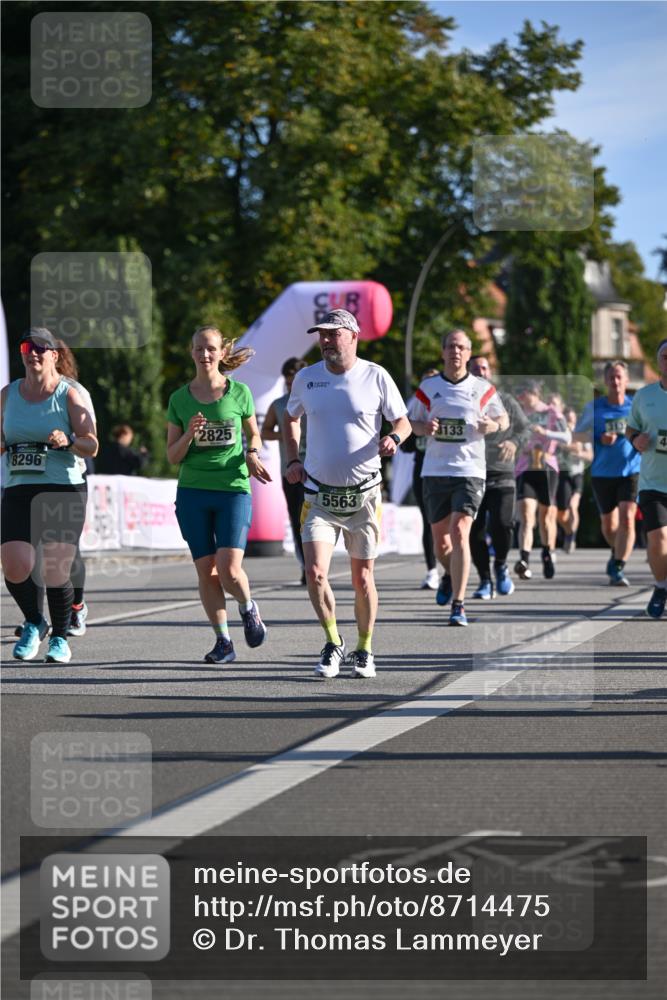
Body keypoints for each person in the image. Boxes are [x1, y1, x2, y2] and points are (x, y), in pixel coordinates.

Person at [283, 308, 410, 678]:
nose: (325, 341)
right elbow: (291, 417)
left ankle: (365, 649)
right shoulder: (307, 378)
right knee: (316, 573)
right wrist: (293, 458)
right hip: (319, 495)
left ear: (353, 335)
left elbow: (401, 420)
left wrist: (394, 436)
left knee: (362, 579)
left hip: (365, 494)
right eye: (321, 334)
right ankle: (332, 641)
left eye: (333, 334)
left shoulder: (376, 376)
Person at [166, 325, 271, 663]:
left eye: (210, 348)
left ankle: (247, 606)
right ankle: (223, 642)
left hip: (232, 489)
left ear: (222, 353)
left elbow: (254, 434)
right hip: (193, 491)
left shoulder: (240, 393)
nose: (205, 354)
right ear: (191, 352)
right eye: (199, 348)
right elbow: (172, 456)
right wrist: (189, 436)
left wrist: (252, 454)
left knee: (228, 569)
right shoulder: (179, 399)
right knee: (206, 571)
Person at [1, 328, 98, 663]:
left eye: (41, 348)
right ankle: (33, 621)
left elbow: (92, 444)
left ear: (55, 355)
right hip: (18, 486)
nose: (33, 353)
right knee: (14, 565)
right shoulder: (8, 394)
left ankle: (59, 636)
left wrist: (68, 441)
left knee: (56, 568)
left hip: (63, 488)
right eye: (28, 347)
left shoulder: (69, 394)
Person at [409, 330, 508, 626]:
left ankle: (459, 604)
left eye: (461, 347)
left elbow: (503, 419)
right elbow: (408, 422)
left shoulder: (483, 388)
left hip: (470, 470)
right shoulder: (428, 387)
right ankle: (449, 574)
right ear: (442, 352)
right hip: (436, 471)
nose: (456, 352)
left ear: (469, 352)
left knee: (460, 530)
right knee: (441, 542)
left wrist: (492, 425)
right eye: (451, 346)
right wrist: (424, 428)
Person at [468, 355, 530, 599]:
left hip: (502, 471)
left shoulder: (505, 401)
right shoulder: (463, 400)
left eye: (484, 368)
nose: (481, 371)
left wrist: (514, 442)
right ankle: (485, 580)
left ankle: (501, 565)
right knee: (475, 530)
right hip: (471, 472)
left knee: (503, 524)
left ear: (490, 372)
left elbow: (525, 429)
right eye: (476, 369)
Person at [575, 360, 641, 586]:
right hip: (603, 473)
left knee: (627, 520)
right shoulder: (594, 408)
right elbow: (577, 436)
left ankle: (618, 566)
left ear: (626, 380)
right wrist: (598, 438)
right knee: (609, 526)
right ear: (605, 381)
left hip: (631, 470)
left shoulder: (635, 407)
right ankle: (617, 552)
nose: (615, 381)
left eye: (619, 377)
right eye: (611, 377)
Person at [625, 338, 667, 619]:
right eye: (665, 355)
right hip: (653, 482)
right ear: (658, 361)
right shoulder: (644, 396)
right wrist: (635, 439)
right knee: (659, 539)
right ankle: (661, 586)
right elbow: (631, 428)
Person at [513, 381, 571, 581]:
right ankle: (524, 560)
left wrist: (546, 433)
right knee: (527, 516)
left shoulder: (552, 413)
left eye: (524, 394)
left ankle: (547, 552)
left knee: (545, 518)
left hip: (547, 466)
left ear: (534, 394)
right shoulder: (518, 414)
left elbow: (567, 438)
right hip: (525, 467)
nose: (521, 398)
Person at [261, 358, 308, 584]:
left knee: (319, 521)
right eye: (288, 384)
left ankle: (318, 564)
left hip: (321, 470)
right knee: (298, 521)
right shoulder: (279, 405)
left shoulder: (317, 398)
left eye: (295, 383)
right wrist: (288, 436)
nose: (291, 388)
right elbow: (265, 431)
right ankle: (306, 568)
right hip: (290, 470)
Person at [404, 365, 440, 590]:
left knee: (445, 521)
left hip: (446, 468)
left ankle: (452, 565)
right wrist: (418, 429)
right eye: (425, 382)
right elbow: (406, 445)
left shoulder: (449, 405)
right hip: (422, 467)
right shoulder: (416, 409)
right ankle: (432, 571)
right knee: (428, 519)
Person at [556, 405, 592, 554]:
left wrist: (580, 454)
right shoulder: (558, 433)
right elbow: (557, 446)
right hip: (562, 474)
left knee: (573, 506)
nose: (570, 422)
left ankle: (572, 538)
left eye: (572, 419)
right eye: (567, 419)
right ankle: (568, 532)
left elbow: (590, 455)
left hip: (577, 474)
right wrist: (569, 447)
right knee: (561, 513)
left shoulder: (582, 435)